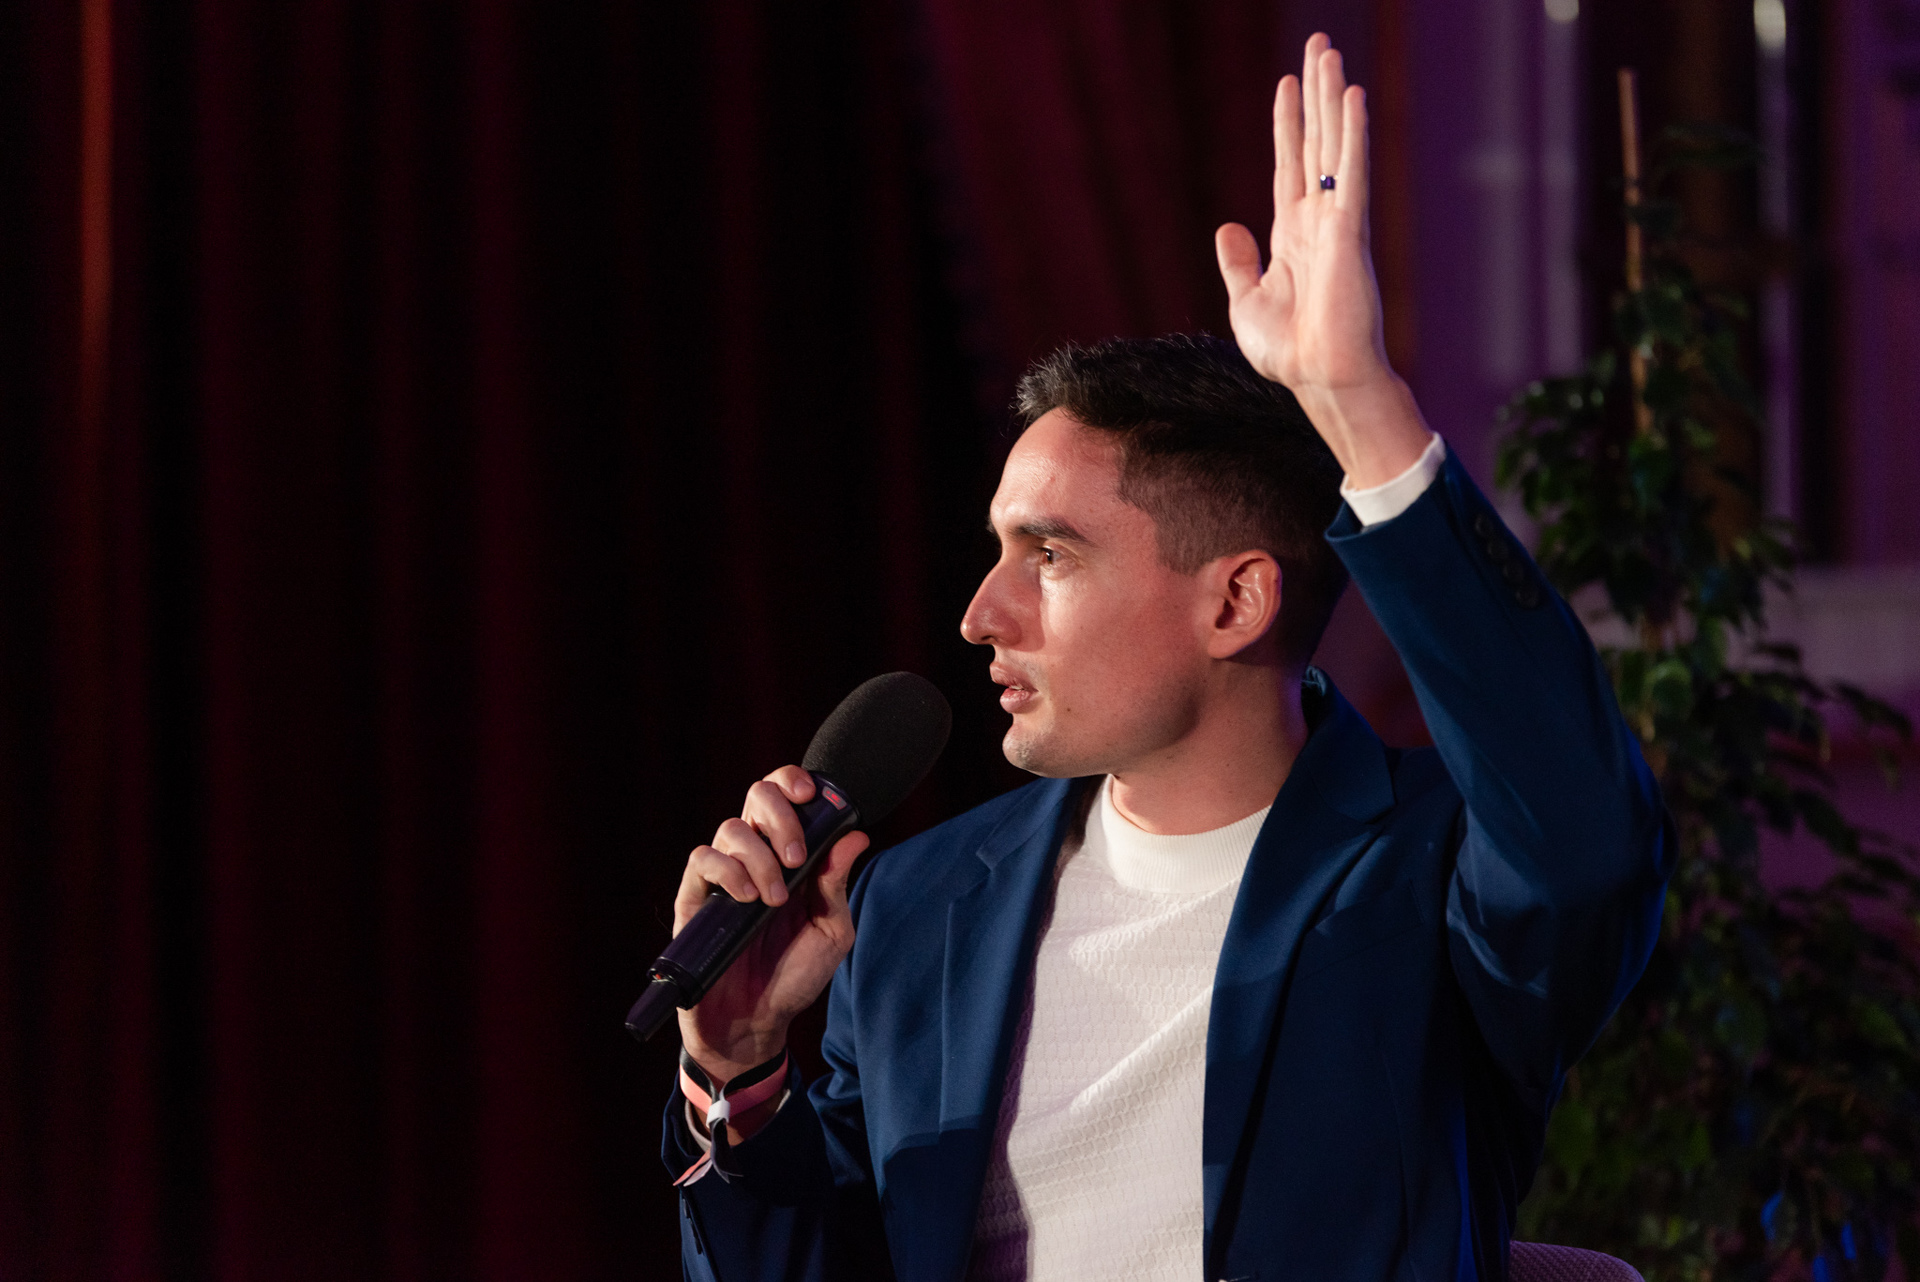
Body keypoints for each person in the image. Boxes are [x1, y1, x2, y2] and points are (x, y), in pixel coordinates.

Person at [660, 33, 1673, 1282]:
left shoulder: (1430, 873)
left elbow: (1585, 830)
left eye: (1050, 554)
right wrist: (739, 1072)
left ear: (1236, 600)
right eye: (997, 549)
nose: (979, 614)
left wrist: (1357, 402)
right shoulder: (917, 907)